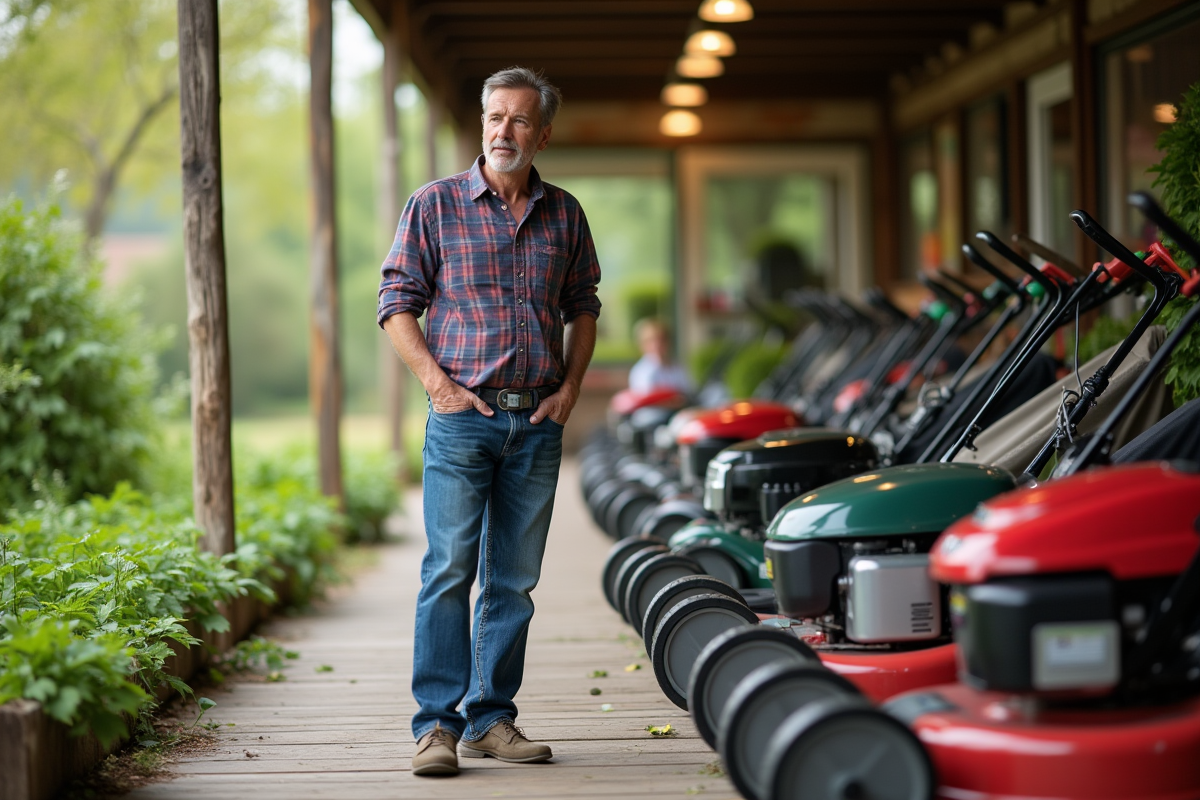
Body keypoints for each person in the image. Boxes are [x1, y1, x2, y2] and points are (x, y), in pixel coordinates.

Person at [377, 67, 601, 778]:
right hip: (462, 419)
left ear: (544, 133)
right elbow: (395, 301)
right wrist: (437, 387)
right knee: (448, 571)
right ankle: (435, 729)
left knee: (513, 580)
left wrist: (569, 390)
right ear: (482, 123)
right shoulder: (434, 205)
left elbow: (584, 305)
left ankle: (491, 719)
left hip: (536, 422)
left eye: (520, 120)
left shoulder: (564, 213)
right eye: (494, 117)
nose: (504, 131)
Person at [628, 317, 692, 395]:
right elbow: (647, 396)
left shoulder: (677, 366)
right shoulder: (640, 371)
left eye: (661, 340)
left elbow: (689, 390)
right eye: (651, 341)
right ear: (642, 345)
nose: (657, 345)